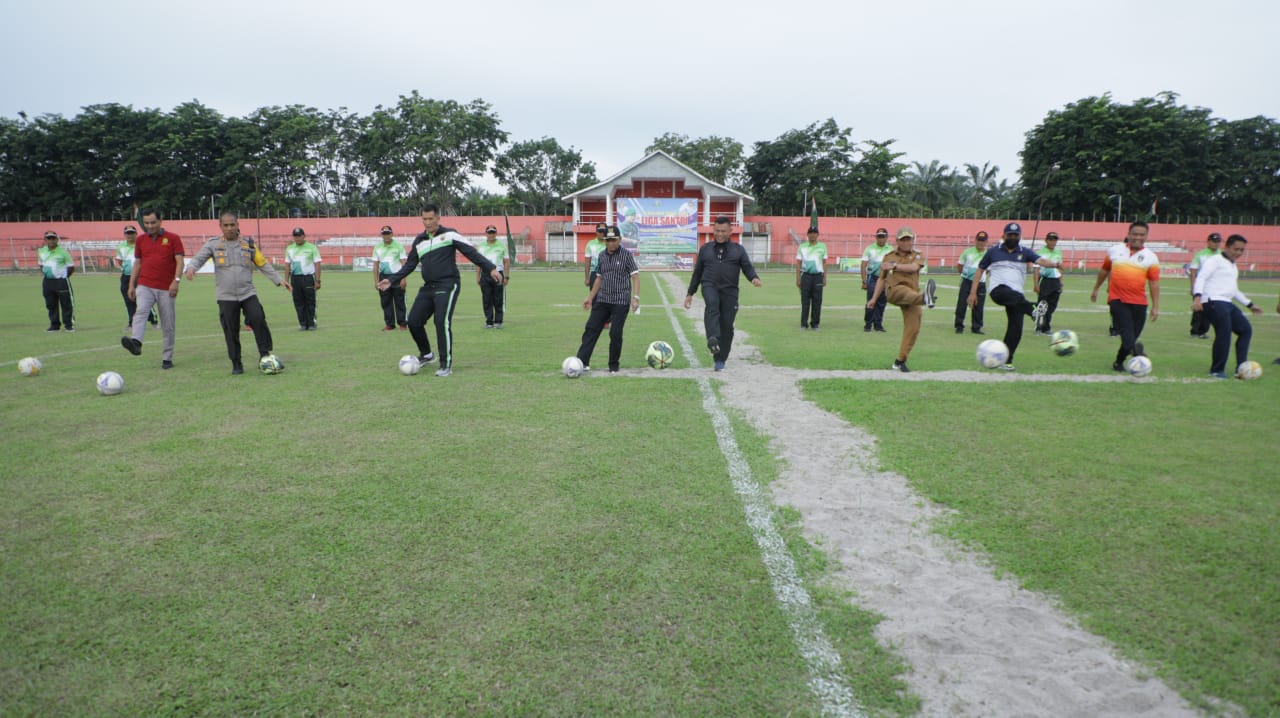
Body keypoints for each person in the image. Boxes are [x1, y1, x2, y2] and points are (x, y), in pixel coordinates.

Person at [377, 205, 502, 378]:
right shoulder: (419, 241)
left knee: (441, 321)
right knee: (413, 321)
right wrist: (391, 280)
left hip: (448, 284)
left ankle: (445, 364)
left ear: (438, 218)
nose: (427, 222)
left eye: (430, 219)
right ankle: (427, 354)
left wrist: (491, 268)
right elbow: (410, 264)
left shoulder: (449, 234)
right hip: (428, 286)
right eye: (424, 219)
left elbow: (471, 252)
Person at [184, 211, 289, 375]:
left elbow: (262, 263)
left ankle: (264, 355)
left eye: (232, 224)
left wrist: (278, 279)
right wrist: (191, 268)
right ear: (220, 226)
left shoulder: (248, 244)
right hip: (226, 296)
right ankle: (236, 362)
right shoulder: (213, 244)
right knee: (231, 329)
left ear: (238, 225)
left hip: (247, 293)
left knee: (258, 319)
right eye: (225, 225)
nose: (229, 228)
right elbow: (198, 258)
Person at [969, 222, 1062, 371]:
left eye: (1015, 235)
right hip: (998, 290)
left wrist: (1055, 264)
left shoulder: (1025, 252)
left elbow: (1041, 261)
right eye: (1009, 235)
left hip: (1018, 296)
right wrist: (972, 293)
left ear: (1019, 236)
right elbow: (980, 271)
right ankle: (1033, 309)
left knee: (1015, 328)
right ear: (1003, 236)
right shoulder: (993, 252)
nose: (1012, 237)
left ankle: (1006, 360)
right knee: (1006, 292)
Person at [683, 216, 762, 371]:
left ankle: (720, 358)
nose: (719, 234)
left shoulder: (738, 250)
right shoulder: (705, 249)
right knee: (712, 304)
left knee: (727, 326)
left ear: (730, 231)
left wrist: (754, 278)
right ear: (713, 230)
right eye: (716, 230)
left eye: (723, 231)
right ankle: (712, 337)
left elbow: (747, 267)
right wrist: (690, 293)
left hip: (730, 291)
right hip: (709, 285)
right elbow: (697, 273)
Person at [1090, 221, 1160, 372]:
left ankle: (1119, 361)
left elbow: (1154, 283)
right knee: (1128, 338)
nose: (1137, 237)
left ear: (1146, 236)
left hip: (1140, 303)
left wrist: (1155, 306)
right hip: (1118, 300)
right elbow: (1104, 270)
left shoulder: (1151, 257)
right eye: (1135, 234)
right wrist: (1096, 288)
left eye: (1142, 234)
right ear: (1129, 234)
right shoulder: (1115, 251)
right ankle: (1136, 352)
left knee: (1131, 338)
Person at [1191, 234, 1263, 379]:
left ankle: (1242, 368)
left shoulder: (1233, 266)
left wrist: (1249, 304)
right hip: (1212, 301)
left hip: (1227, 303)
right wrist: (1197, 297)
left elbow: (1233, 290)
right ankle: (1217, 370)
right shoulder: (1215, 260)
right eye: (1236, 249)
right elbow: (1201, 277)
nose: (1238, 253)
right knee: (1224, 332)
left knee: (1245, 330)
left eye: (1242, 250)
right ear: (1227, 247)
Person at [866, 227, 936, 372]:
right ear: (897, 241)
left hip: (913, 296)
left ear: (913, 240)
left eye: (908, 239)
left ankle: (899, 361)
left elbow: (913, 268)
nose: (906, 242)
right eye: (902, 239)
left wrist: (894, 265)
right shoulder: (889, 255)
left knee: (913, 329)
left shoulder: (918, 255)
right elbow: (881, 279)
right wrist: (873, 298)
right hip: (894, 291)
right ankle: (925, 298)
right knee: (904, 291)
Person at [122, 208, 184, 369]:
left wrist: (176, 281)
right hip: (145, 285)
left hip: (166, 288)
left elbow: (180, 261)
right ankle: (136, 342)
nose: (150, 226)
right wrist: (131, 285)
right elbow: (138, 263)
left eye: (153, 222)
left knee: (168, 324)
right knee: (141, 311)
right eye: (147, 223)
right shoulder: (141, 240)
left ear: (160, 221)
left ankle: (167, 358)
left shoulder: (173, 238)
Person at [575, 225, 639, 373]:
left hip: (620, 301)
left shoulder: (627, 255)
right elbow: (598, 278)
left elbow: (635, 277)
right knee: (591, 328)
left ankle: (613, 365)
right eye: (607, 240)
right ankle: (582, 362)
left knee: (615, 333)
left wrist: (635, 298)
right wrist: (590, 298)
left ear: (619, 240)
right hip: (602, 300)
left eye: (613, 240)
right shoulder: (602, 256)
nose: (610, 243)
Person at [113, 225, 157, 332]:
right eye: (128, 233)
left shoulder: (142, 244)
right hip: (126, 277)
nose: (130, 235)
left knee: (144, 300)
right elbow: (119, 261)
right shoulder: (121, 247)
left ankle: (153, 320)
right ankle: (132, 323)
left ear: (136, 234)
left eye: (132, 233)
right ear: (124, 234)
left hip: (141, 276)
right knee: (129, 301)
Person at [283, 227, 322, 330]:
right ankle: (303, 324)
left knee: (310, 301)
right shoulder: (289, 248)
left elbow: (317, 264)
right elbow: (287, 265)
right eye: (295, 236)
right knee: (298, 302)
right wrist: (286, 281)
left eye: (299, 236)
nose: (297, 238)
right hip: (295, 279)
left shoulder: (312, 247)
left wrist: (318, 280)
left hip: (308, 278)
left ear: (304, 236)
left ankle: (311, 323)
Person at [38, 230, 76, 332]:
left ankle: (69, 325)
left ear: (57, 239)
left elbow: (71, 267)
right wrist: (47, 274)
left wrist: (64, 276)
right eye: (49, 238)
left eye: (53, 238)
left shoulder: (63, 252)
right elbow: (41, 265)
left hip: (61, 281)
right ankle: (54, 325)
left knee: (66, 303)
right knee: (50, 304)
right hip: (48, 282)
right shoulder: (41, 251)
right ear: (45, 240)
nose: (51, 240)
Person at [373, 226, 409, 331]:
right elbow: (375, 265)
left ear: (392, 234)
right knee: (385, 301)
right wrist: (376, 281)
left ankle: (403, 323)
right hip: (383, 277)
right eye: (384, 234)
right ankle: (390, 324)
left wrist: (403, 278)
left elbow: (403, 263)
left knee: (400, 300)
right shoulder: (377, 247)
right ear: (382, 235)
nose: (386, 236)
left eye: (388, 233)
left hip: (397, 276)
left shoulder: (398, 246)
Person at [1187, 232, 1221, 339]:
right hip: (1201, 287)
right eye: (1214, 241)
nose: (1216, 244)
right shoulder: (1201, 254)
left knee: (1209, 310)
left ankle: (1203, 331)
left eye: (1218, 242)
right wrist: (1193, 286)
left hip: (1214, 288)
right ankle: (1194, 331)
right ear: (1208, 242)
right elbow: (1193, 271)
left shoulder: (1222, 255)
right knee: (1198, 309)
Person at [475, 225, 510, 328]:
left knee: (498, 299)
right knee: (486, 299)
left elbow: (507, 262)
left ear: (496, 233)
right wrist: (477, 276)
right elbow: (478, 263)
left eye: (493, 232)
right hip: (485, 275)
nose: (491, 234)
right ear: (486, 233)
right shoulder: (481, 246)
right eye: (489, 232)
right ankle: (489, 322)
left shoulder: (502, 246)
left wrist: (506, 277)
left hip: (498, 274)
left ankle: (498, 322)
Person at [954, 230, 988, 334]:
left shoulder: (988, 254)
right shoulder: (967, 252)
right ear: (975, 240)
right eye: (979, 240)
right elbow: (960, 265)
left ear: (986, 242)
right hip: (967, 281)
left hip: (981, 284)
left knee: (979, 306)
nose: (980, 242)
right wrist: (964, 275)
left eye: (983, 240)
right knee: (961, 304)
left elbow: (990, 269)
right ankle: (959, 326)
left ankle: (976, 327)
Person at [861, 228, 893, 332]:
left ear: (886, 237)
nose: (881, 239)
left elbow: (893, 265)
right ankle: (868, 324)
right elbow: (863, 264)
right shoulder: (869, 248)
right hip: (873, 278)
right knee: (871, 301)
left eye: (883, 236)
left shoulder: (891, 249)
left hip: (886, 279)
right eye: (879, 236)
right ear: (876, 237)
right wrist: (864, 281)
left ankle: (878, 325)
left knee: (882, 303)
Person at [1033, 231, 1065, 335]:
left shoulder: (1059, 252)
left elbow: (1060, 268)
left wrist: (1061, 282)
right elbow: (1036, 269)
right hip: (1045, 280)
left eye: (1054, 239)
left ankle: (1046, 327)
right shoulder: (1040, 252)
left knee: (1052, 305)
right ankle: (1038, 327)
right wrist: (1036, 284)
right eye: (1050, 239)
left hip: (1055, 281)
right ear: (1046, 240)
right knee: (1042, 305)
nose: (1052, 242)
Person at [796, 225, 827, 330]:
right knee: (805, 301)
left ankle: (815, 324)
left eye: (815, 233)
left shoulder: (822, 247)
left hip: (818, 276)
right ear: (807, 235)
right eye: (810, 233)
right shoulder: (802, 247)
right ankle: (804, 324)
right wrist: (798, 278)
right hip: (806, 276)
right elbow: (798, 263)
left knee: (817, 301)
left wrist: (825, 277)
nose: (812, 235)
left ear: (818, 235)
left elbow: (824, 262)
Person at [584, 222, 608, 288]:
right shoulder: (590, 244)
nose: (602, 234)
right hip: (595, 273)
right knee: (594, 297)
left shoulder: (610, 243)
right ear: (596, 232)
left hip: (608, 274)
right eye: (600, 231)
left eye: (604, 231)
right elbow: (587, 262)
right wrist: (587, 278)